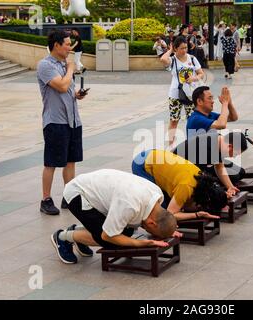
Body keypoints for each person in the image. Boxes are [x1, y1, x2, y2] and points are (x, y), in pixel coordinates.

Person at [51, 169, 178, 264]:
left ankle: (81, 231)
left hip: (94, 189)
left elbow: (163, 219)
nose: (150, 234)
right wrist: (139, 243)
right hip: (77, 193)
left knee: (126, 231)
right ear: (152, 223)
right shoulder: (130, 205)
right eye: (153, 232)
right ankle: (63, 237)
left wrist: (168, 228)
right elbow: (107, 235)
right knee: (109, 241)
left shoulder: (157, 194)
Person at [37, 30, 88, 215]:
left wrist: (77, 95)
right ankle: (46, 200)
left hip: (73, 120)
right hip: (55, 122)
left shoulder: (63, 64)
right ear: (57, 45)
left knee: (70, 161)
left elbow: (68, 90)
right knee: (51, 162)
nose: (70, 47)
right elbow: (62, 86)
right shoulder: (45, 65)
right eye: (67, 44)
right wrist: (70, 69)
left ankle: (69, 196)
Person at [132, 150, 227, 218]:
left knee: (172, 203)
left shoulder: (201, 178)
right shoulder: (186, 187)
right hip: (142, 165)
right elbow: (170, 214)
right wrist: (196, 215)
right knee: (161, 210)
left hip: (154, 155)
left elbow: (187, 203)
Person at [160, 36, 205, 146]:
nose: (184, 50)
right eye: (181, 48)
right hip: (175, 94)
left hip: (190, 94)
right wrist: (170, 50)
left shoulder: (192, 59)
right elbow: (163, 59)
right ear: (175, 48)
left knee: (192, 120)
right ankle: (171, 145)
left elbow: (201, 73)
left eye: (186, 48)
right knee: (174, 120)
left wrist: (194, 78)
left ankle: (192, 144)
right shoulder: (173, 60)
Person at [173, 131, 248, 192]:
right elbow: (200, 178)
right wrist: (220, 191)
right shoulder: (206, 150)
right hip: (184, 167)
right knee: (234, 176)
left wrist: (230, 187)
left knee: (241, 172)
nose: (234, 156)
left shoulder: (220, 140)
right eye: (234, 153)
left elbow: (219, 167)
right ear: (230, 146)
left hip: (202, 162)